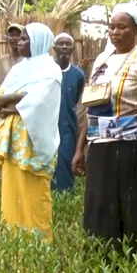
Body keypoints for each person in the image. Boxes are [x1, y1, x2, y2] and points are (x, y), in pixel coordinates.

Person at [74, 1, 137, 257]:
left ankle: (128, 261)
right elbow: (90, 105)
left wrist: (134, 118)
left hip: (128, 146)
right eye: (112, 27)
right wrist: (80, 148)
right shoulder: (102, 60)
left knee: (125, 203)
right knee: (98, 202)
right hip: (99, 144)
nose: (115, 32)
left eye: (122, 27)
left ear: (136, 30)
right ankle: (99, 256)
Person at [0, 23, 62, 241]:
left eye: (25, 39)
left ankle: (40, 246)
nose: (19, 42)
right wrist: (18, 96)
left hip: (33, 143)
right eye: (19, 38)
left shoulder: (51, 70)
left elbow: (39, 101)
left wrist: (11, 103)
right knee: (12, 193)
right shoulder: (18, 69)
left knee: (34, 195)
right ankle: (13, 242)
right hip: (12, 143)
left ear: (38, 42)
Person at [51, 33, 85, 192]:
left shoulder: (78, 75)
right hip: (48, 124)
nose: (64, 47)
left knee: (65, 157)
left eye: (68, 44)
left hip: (67, 125)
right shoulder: (47, 71)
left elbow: (76, 98)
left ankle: (65, 194)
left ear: (73, 48)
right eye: (60, 44)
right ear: (54, 48)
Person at [0, 23, 24, 91]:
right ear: (6, 38)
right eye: (11, 35)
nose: (14, 38)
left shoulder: (28, 61)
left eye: (18, 35)